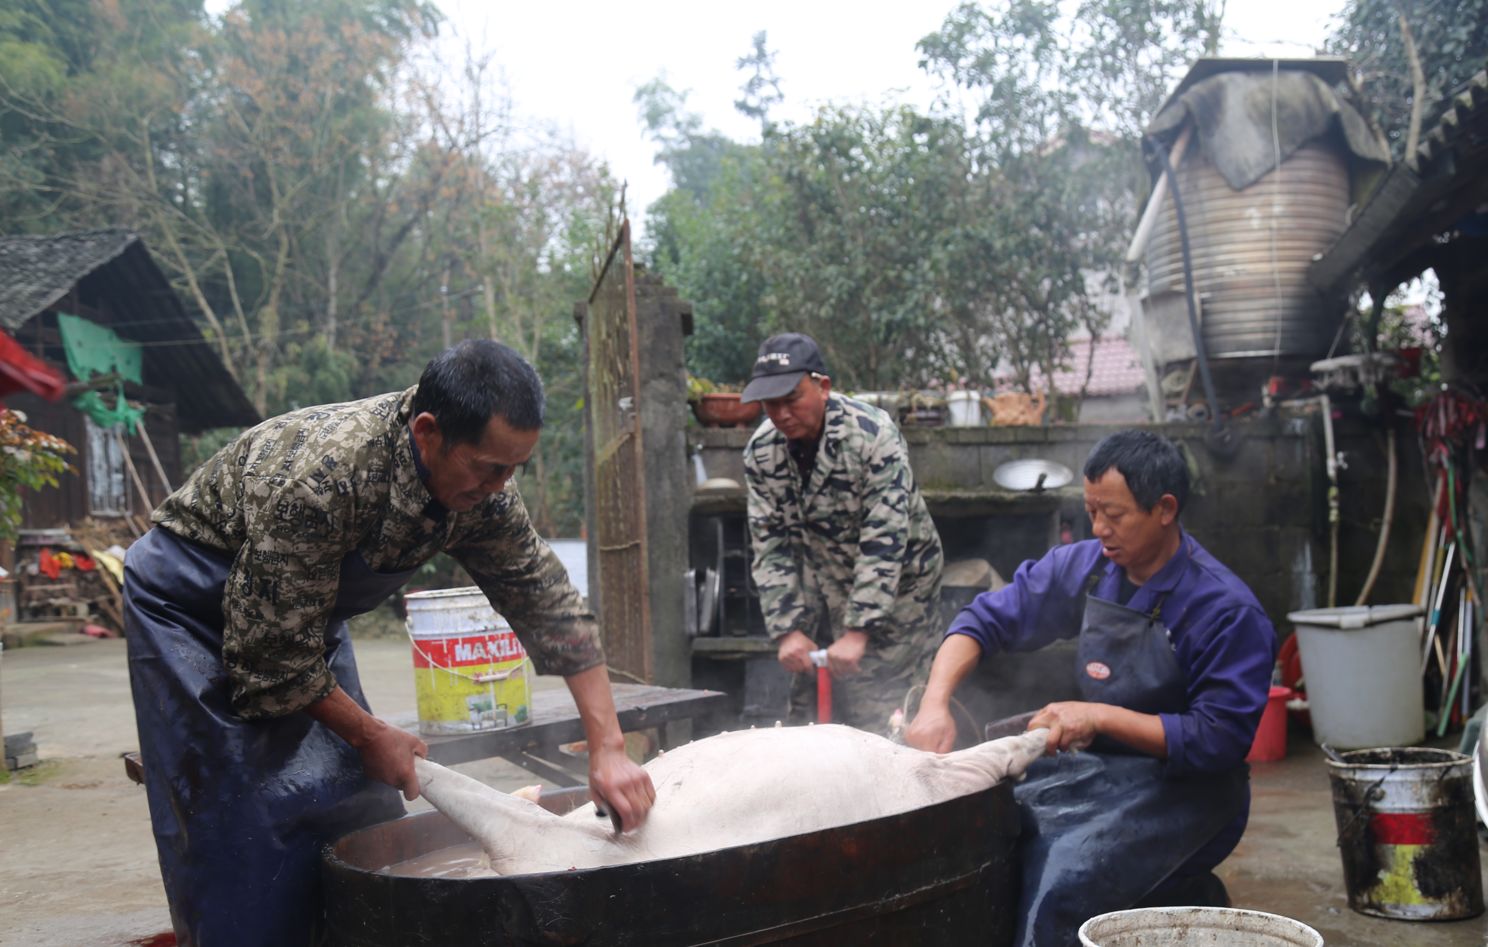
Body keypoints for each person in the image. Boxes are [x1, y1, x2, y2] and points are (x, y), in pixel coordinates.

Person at [124, 340, 655, 945]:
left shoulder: (485, 493)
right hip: (190, 608)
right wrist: (371, 732)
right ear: (427, 432)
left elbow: (547, 601)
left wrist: (608, 745)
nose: (501, 484)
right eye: (489, 467)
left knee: (358, 803)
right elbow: (268, 658)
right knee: (238, 821)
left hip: (299, 617)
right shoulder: (324, 478)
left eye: (514, 468)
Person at [906, 429, 1275, 946]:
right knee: (992, 828)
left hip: (1192, 793)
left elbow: (1219, 740)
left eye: (1115, 515)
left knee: (1063, 879)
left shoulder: (1225, 610)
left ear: (1165, 509)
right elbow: (981, 622)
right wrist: (934, 703)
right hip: (1095, 773)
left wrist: (1098, 717)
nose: (1099, 529)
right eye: (1091, 511)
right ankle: (1179, 901)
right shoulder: (1086, 568)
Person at [740, 332, 943, 732]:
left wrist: (859, 630)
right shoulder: (762, 452)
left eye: (791, 398)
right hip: (821, 589)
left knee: (886, 718)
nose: (780, 413)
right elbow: (771, 545)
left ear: (823, 386)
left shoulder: (872, 436)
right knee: (808, 721)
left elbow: (884, 539)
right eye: (769, 403)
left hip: (900, 593)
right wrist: (788, 630)